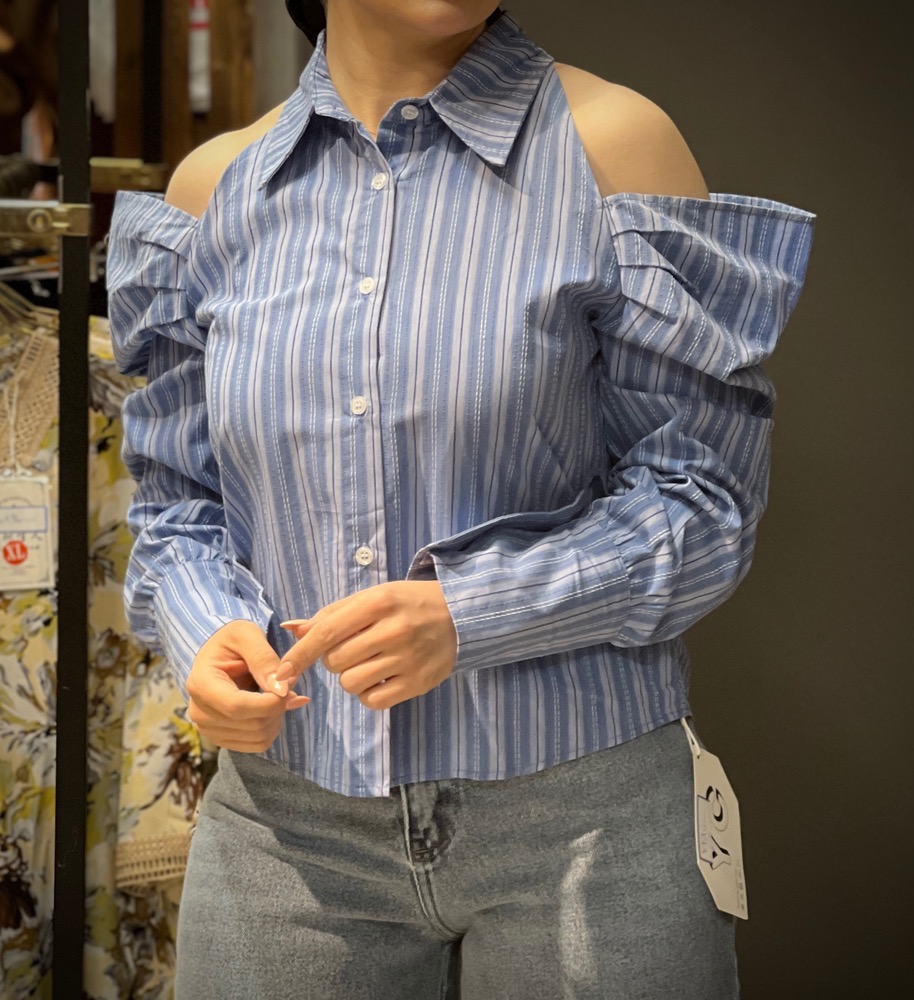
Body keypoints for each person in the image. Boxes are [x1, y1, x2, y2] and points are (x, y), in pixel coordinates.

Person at [107, 2, 814, 997]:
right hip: (286, 834)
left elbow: (702, 503)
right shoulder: (214, 189)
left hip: (583, 825)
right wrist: (208, 633)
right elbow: (178, 504)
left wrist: (470, 612)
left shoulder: (611, 145)